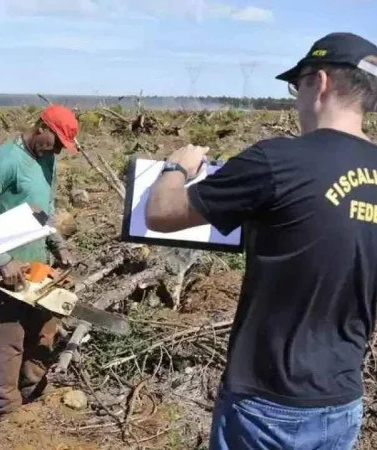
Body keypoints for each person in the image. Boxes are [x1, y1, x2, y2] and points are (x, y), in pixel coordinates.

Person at [145, 32, 377, 449]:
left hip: (267, 403)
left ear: (319, 82)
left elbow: (160, 215)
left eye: (297, 86)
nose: (296, 100)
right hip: (343, 401)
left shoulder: (276, 160)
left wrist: (175, 168)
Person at [0, 104, 78, 422]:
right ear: (41, 127)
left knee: (42, 333)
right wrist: (2, 260)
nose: (56, 149)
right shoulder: (8, 159)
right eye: (54, 141)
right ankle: (4, 408)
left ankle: (31, 393)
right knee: (8, 340)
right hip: (10, 268)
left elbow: (47, 208)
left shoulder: (48, 161)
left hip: (39, 266)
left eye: (61, 146)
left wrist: (59, 245)